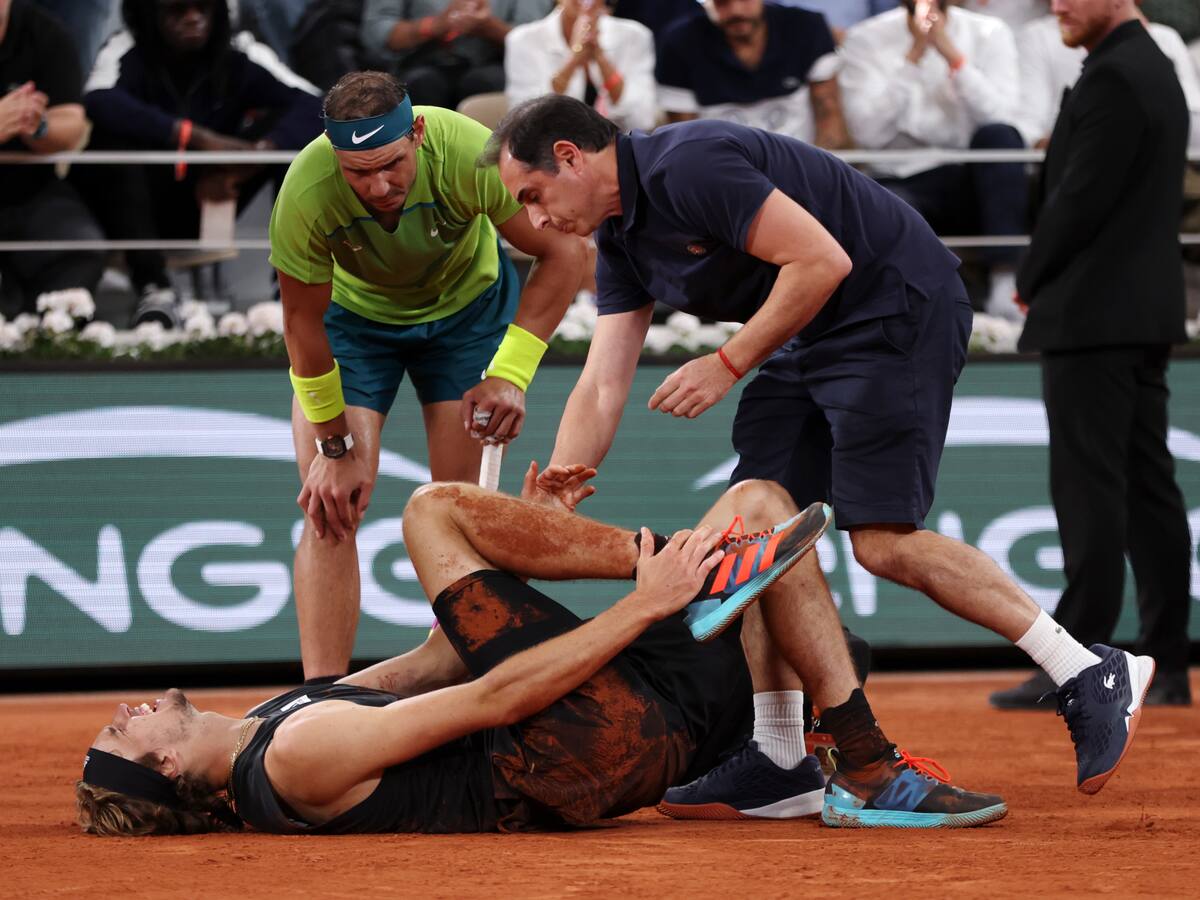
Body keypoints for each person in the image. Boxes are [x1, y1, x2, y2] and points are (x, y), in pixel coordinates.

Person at [481, 93, 1157, 817]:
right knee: (756, 533)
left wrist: (728, 363)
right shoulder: (621, 239)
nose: (536, 221)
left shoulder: (688, 165)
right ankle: (778, 756)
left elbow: (822, 259)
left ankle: (1085, 668)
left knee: (882, 543)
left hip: (893, 305)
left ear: (570, 157)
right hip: (811, 333)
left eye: (533, 196)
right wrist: (562, 484)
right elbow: (602, 381)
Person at [77, 476, 1014, 834]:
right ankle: (675, 568)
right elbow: (492, 699)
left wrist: (531, 536)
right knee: (432, 512)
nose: (120, 714)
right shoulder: (293, 756)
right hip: (573, 748)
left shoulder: (270, 722)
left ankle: (805, 757)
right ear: (166, 768)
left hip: (591, 717)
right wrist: (644, 597)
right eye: (121, 736)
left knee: (761, 510)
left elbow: (441, 659)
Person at [269, 71, 585, 683]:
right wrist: (333, 448)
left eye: (391, 164)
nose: (379, 186)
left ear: (417, 133)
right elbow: (301, 325)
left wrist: (511, 373)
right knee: (330, 506)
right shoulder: (305, 190)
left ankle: (462, 685)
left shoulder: (470, 153)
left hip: (467, 319)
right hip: (355, 328)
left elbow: (566, 252)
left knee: (460, 516)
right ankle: (320, 702)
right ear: (334, 155)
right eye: (358, 172)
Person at [991, 0, 1194, 710]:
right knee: (1147, 489)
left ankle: (1076, 663)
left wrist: (1028, 276)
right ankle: (1167, 661)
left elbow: (1079, 198)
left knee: (1092, 494)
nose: (1058, 6)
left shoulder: (1116, 74)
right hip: (1138, 313)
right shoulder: (1153, 64)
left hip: (1092, 314)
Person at [73, 0, 323, 327]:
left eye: (202, 8)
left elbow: (317, 104)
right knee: (111, 137)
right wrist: (192, 136)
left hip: (217, 193)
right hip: (138, 205)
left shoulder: (240, 49)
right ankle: (154, 290)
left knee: (294, 142)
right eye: (177, 10)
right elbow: (97, 98)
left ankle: (292, 289)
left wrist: (250, 159)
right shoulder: (125, 47)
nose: (193, 19)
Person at [839, 0, 1027, 319]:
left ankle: (1004, 285)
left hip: (966, 174)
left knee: (1000, 136)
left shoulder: (989, 31)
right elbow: (868, 133)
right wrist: (913, 57)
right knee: (890, 207)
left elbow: (1002, 117)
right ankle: (905, 314)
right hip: (899, 175)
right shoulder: (865, 37)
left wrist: (953, 57)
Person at [0, 0, 105, 317]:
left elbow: (71, 124)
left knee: (82, 246)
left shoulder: (43, 32)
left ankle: (42, 332)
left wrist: (38, 126)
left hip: (30, 189)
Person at [655, 0, 851, 150]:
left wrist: (816, 176)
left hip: (802, 163)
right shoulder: (679, 41)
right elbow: (684, 139)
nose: (736, 11)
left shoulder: (807, 26)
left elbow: (829, 117)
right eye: (723, 2)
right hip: (722, 174)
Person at [1015, 5, 1200, 151]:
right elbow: (1029, 126)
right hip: (1073, 163)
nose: (1058, 8)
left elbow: (1193, 125)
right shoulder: (1038, 36)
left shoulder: (1164, 39)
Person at [360, 0, 553, 111]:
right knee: (422, 84)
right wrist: (432, 26)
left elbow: (537, 40)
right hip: (422, 63)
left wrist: (489, 27)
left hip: (492, 63)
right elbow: (375, 32)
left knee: (483, 83)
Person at [505, 0, 658, 133]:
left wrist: (601, 58)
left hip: (618, 147)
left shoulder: (636, 35)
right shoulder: (522, 40)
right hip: (550, 150)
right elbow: (526, 124)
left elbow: (643, 121)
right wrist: (573, 60)